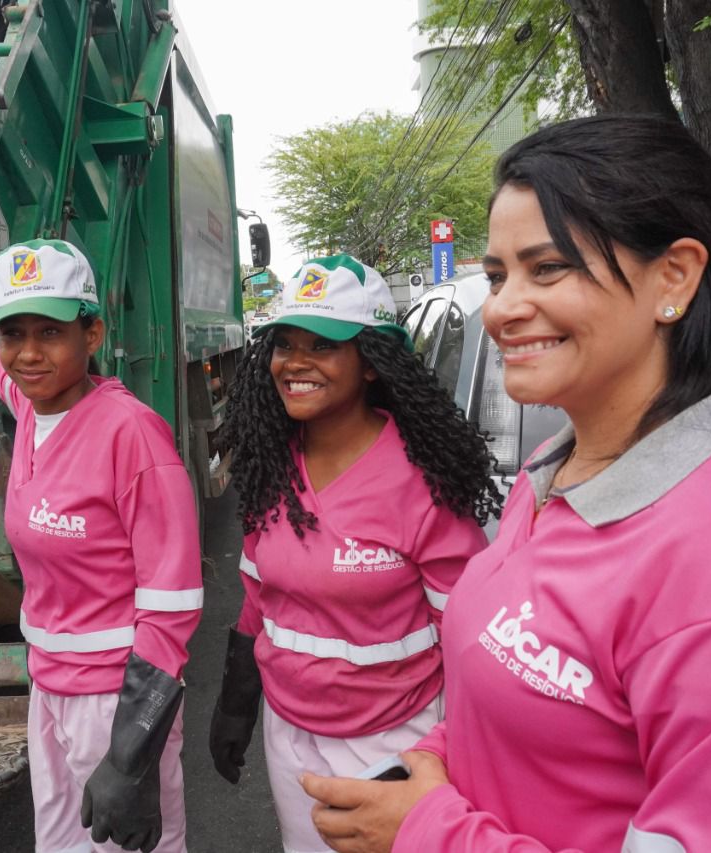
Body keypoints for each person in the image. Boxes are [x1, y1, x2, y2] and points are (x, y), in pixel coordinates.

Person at [301, 115, 711, 852]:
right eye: (496, 274)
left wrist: (429, 832)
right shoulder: (557, 469)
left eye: (546, 268)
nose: (502, 308)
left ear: (672, 276)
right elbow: (532, 711)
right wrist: (434, 763)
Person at [208, 254, 503, 853]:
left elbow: (469, 636)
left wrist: (448, 755)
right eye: (285, 344)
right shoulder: (271, 467)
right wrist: (238, 699)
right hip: (289, 733)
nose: (296, 364)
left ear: (372, 361)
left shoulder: (423, 482)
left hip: (394, 740)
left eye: (323, 345)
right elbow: (259, 599)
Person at [0, 240, 202, 853]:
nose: (28, 354)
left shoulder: (131, 436)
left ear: (93, 333)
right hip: (51, 690)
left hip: (114, 703)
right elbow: (4, 371)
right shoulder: (34, 409)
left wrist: (129, 759)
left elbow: (172, 609)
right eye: (13, 332)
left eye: (49, 332)